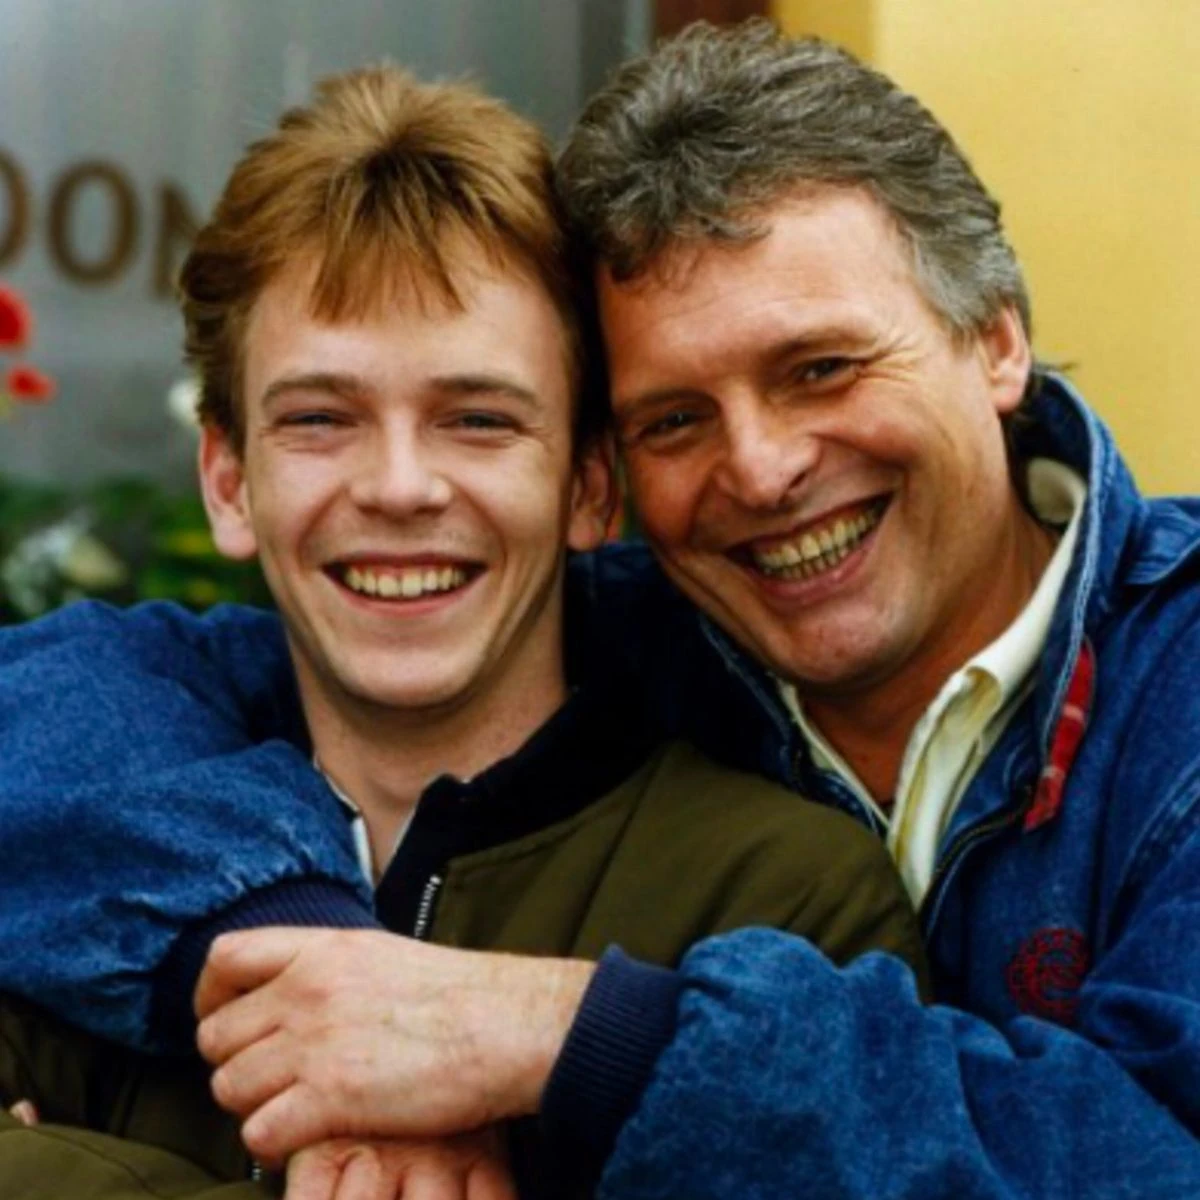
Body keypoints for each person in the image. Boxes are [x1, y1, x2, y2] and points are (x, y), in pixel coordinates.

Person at [4, 17, 1200, 1198]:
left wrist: (557, 1036)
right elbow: (63, 702)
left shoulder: (1158, 688)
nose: (761, 470)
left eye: (821, 369)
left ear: (998, 341)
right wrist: (312, 954)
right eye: (673, 419)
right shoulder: (639, 629)